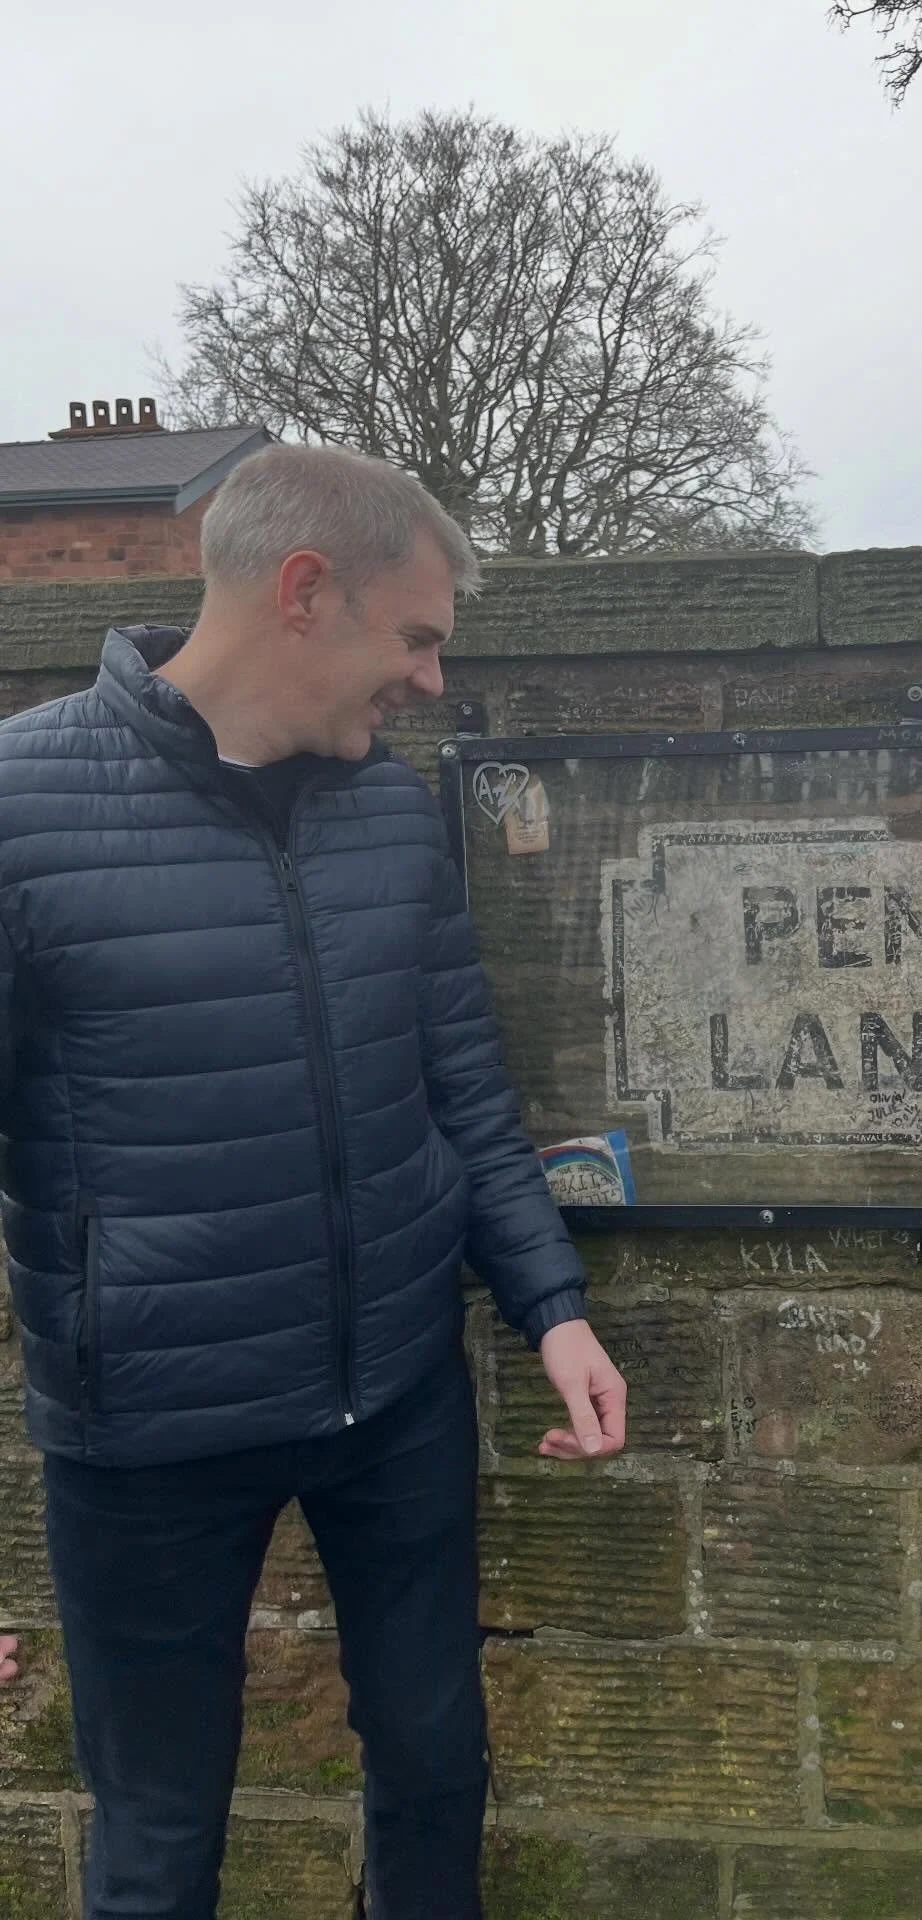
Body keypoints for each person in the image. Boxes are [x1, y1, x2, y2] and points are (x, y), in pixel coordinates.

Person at [0, 443, 626, 1919]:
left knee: (435, 1767)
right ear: (302, 592)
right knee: (157, 1846)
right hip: (146, 1435)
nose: (426, 681)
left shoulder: (390, 813)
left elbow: (463, 1084)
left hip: (395, 1395)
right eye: (414, 637)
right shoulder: (20, 811)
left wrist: (554, 1309)